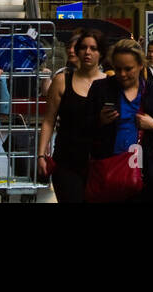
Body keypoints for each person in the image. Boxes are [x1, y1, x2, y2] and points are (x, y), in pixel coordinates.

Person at [85, 39, 153, 203]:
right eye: (118, 69)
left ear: (140, 65)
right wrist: (100, 121)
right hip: (109, 170)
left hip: (146, 173)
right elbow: (84, 128)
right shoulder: (101, 89)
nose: (122, 74)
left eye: (128, 69)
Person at [38, 29, 105, 203]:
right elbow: (48, 120)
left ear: (101, 52)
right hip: (67, 160)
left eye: (93, 48)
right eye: (83, 47)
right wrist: (41, 155)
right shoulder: (62, 80)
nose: (87, 52)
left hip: (100, 161)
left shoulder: (109, 83)